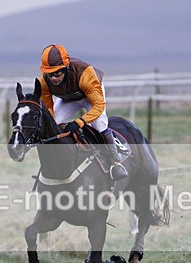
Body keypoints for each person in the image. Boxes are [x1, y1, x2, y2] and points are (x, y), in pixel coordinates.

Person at [37, 44, 128, 180]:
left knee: (99, 125)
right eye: (50, 74)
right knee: (53, 124)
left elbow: (98, 106)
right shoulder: (43, 81)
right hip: (68, 99)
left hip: (90, 98)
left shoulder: (85, 73)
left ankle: (116, 162)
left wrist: (80, 121)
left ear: (66, 68)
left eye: (57, 73)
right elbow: (48, 109)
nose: (54, 78)